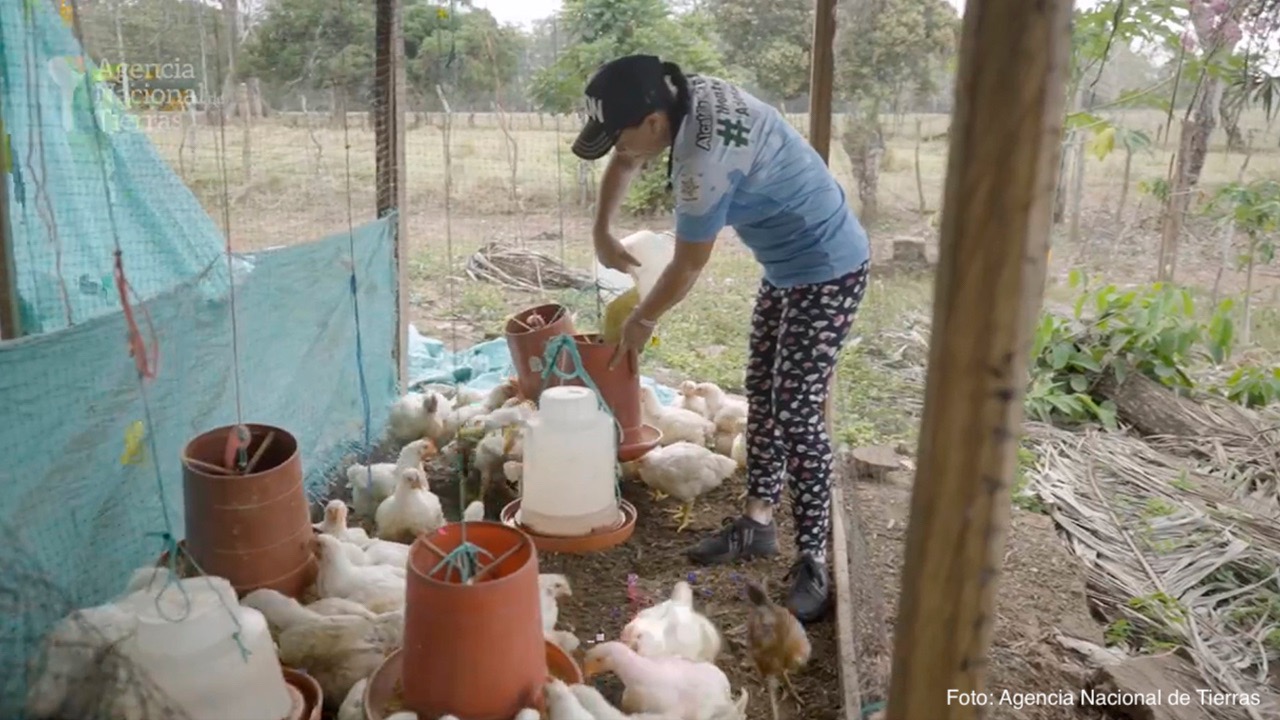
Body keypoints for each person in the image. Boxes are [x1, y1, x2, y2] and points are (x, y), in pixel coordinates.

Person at [572, 54, 870, 623]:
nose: (620, 143)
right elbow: (627, 155)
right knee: (763, 390)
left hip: (829, 266)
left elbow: (686, 266)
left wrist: (642, 320)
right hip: (786, 266)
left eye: (621, 128)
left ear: (655, 121)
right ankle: (757, 524)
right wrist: (602, 230)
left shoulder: (702, 162)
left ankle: (813, 558)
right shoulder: (678, 95)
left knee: (798, 412)